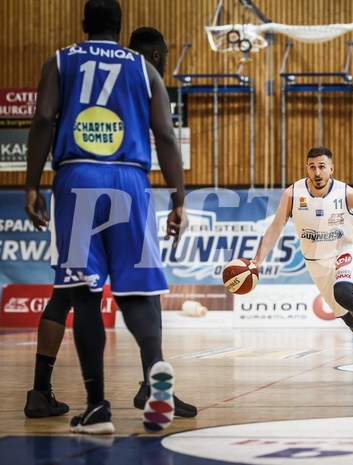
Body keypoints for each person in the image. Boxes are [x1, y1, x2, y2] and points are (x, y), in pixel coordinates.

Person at [24, 0, 187, 434]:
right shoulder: (143, 68)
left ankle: (96, 406)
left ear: (84, 25)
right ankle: (154, 368)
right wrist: (179, 200)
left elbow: (42, 119)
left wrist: (31, 183)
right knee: (135, 294)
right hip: (131, 180)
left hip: (76, 177)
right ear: (119, 28)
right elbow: (166, 137)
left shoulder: (61, 60)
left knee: (83, 296)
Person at [252, 146, 353, 380]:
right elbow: (274, 229)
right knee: (347, 317)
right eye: (312, 167)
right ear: (307, 169)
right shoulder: (293, 194)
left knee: (343, 293)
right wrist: (256, 262)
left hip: (345, 251)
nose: (317, 172)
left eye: (322, 166)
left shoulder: (347, 194)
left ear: (331, 169)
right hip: (316, 262)